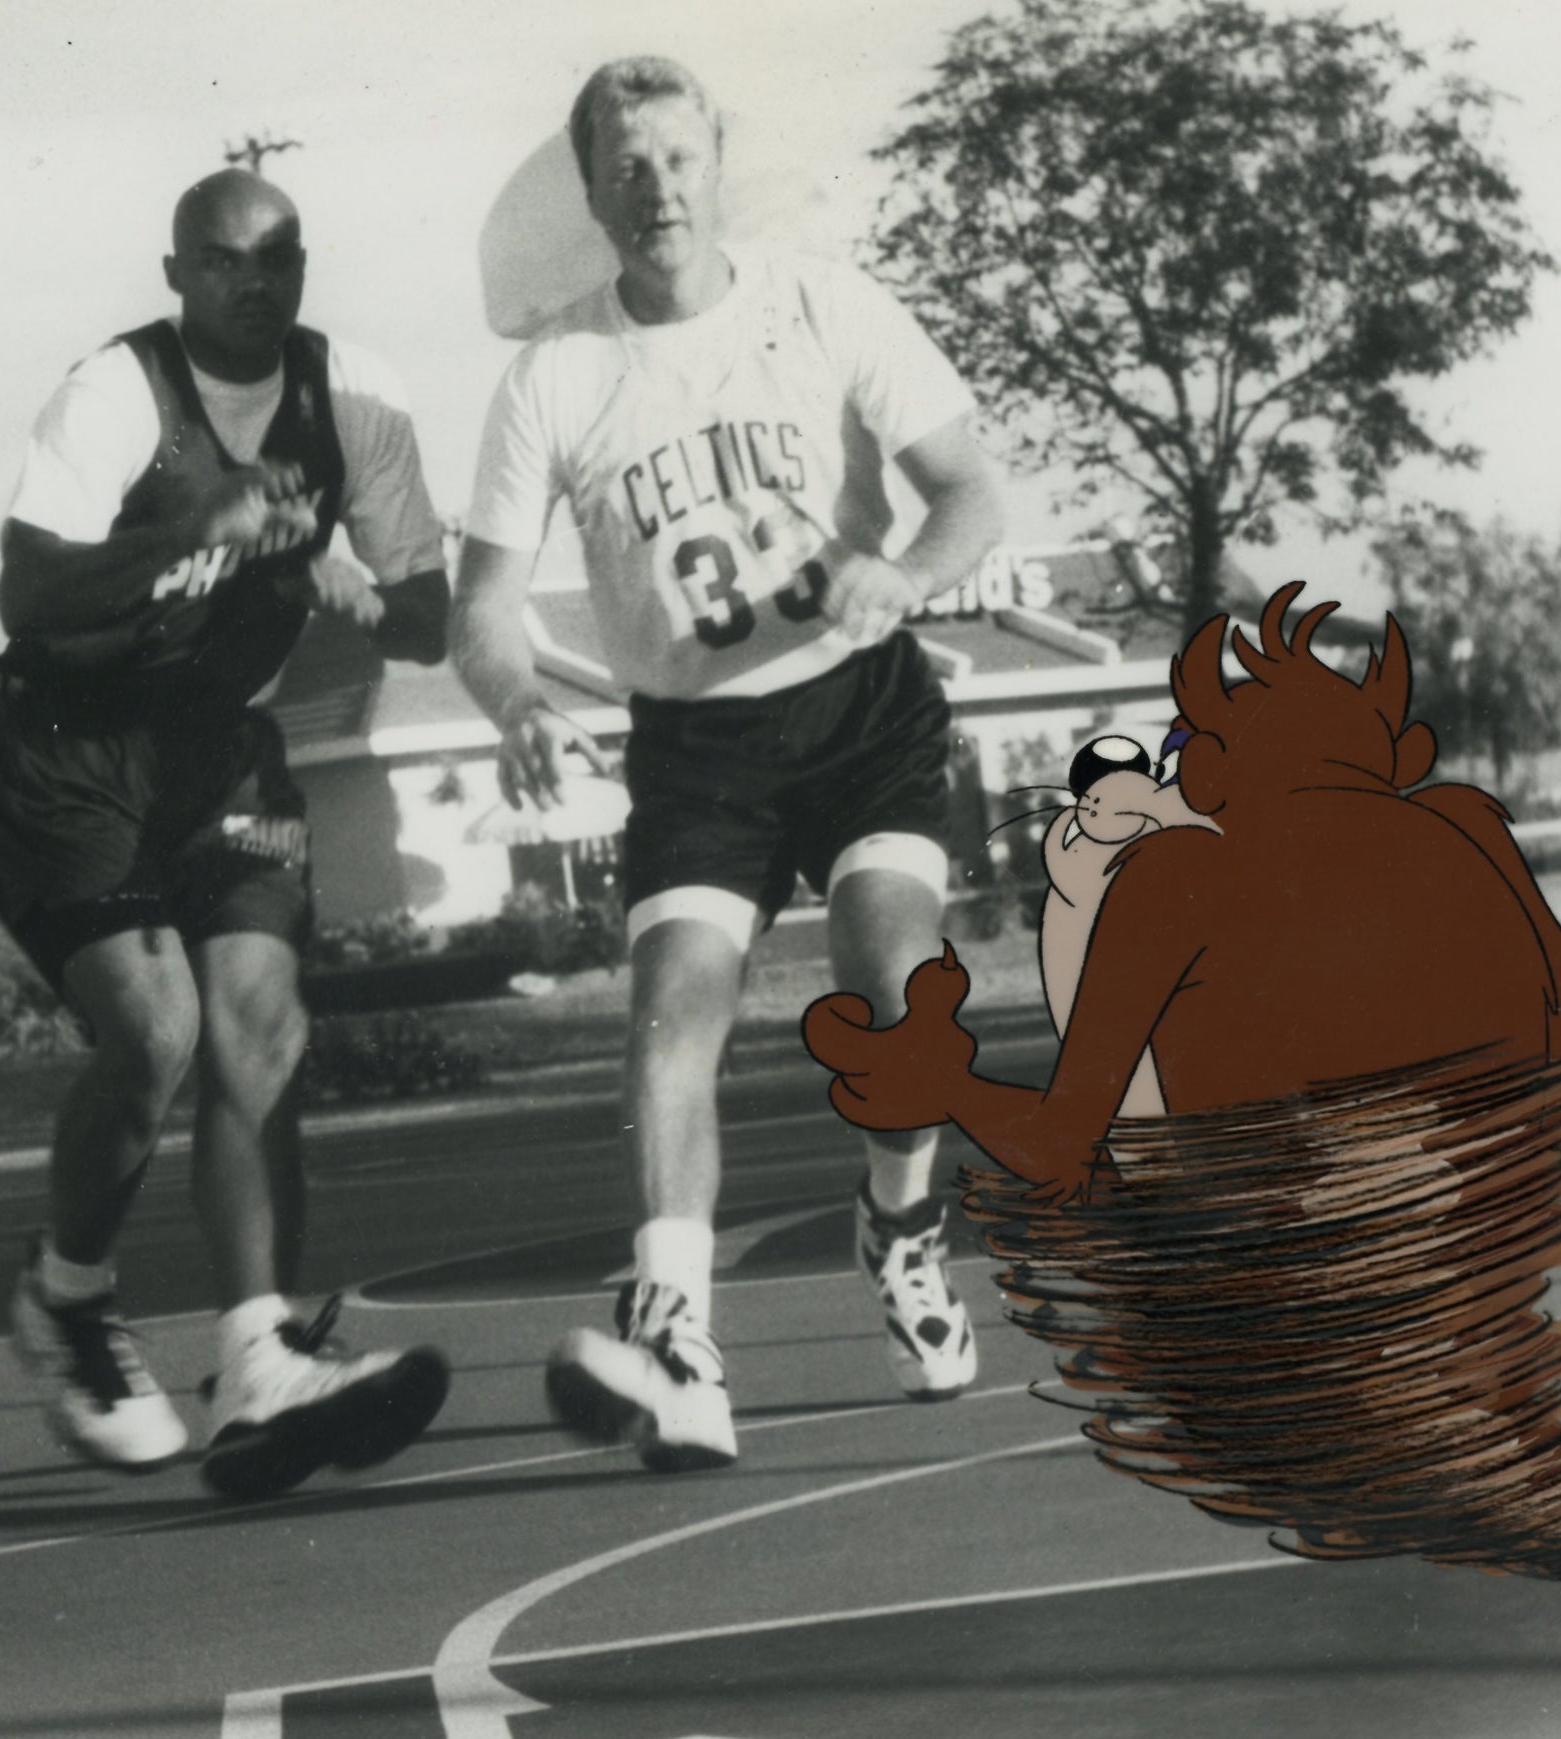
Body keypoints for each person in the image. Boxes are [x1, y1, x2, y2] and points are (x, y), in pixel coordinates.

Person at [452, 58, 1007, 1471]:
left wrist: (906, 573)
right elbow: (483, 606)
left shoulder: (823, 305)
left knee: (900, 992)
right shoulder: (556, 374)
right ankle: (679, 1339)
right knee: (671, 1015)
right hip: (698, 746)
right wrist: (516, 702)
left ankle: (899, 1226)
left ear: (718, 164)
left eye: (679, 159)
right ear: (590, 196)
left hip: (860, 710)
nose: (659, 190)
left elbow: (969, 488)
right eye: (627, 169)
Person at [0, 168, 453, 1496]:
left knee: (258, 1023)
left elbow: (427, 620)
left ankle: (257, 1357)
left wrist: (349, 587)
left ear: (304, 267)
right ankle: (68, 1297)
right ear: (178, 274)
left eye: (278, 258)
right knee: (156, 1035)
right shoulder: (118, 393)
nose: (254, 282)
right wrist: (198, 527)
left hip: (217, 745)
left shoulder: (352, 397)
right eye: (224, 261)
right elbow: (26, 592)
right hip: (66, 746)